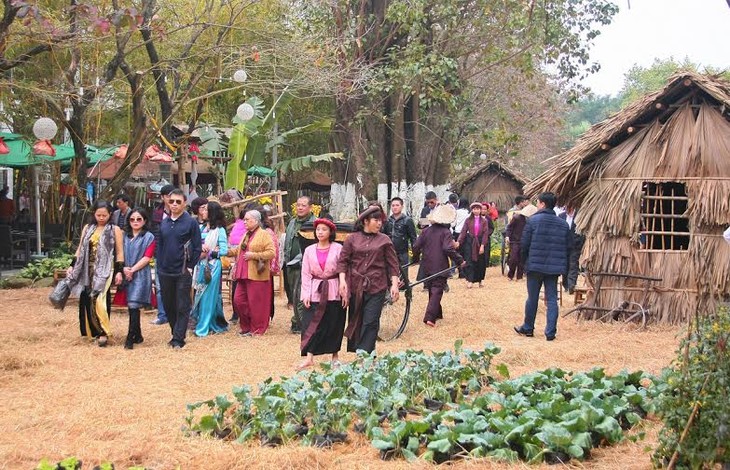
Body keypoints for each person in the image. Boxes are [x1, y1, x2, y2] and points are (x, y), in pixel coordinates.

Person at [337, 205, 400, 354]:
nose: (379, 223)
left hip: (377, 285)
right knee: (356, 318)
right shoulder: (352, 239)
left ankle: (365, 354)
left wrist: (395, 285)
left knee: (371, 321)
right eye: (376, 220)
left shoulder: (384, 240)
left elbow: (393, 264)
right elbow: (343, 261)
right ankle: (358, 350)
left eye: (381, 221)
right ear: (365, 221)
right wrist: (342, 281)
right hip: (356, 286)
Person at [65, 200, 124, 347]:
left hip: (105, 269)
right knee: (85, 297)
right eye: (99, 215)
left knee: (99, 299)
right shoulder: (88, 228)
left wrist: (119, 271)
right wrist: (72, 265)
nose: (101, 218)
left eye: (105, 215)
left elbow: (119, 252)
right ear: (94, 214)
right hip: (86, 267)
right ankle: (89, 332)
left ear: (110, 214)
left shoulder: (115, 229)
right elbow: (80, 248)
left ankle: (103, 332)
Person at [514, 192, 571, 342]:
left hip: (535, 266)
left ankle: (528, 328)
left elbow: (524, 244)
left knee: (532, 298)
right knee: (552, 299)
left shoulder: (533, 221)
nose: (537, 205)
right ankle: (550, 332)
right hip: (554, 267)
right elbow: (568, 247)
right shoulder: (563, 224)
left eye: (538, 203)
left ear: (543, 204)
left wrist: (524, 262)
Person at [297, 218, 346, 370]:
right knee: (311, 323)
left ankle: (335, 357)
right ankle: (309, 356)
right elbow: (305, 273)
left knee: (334, 323)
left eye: (324, 229)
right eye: (318, 229)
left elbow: (344, 271)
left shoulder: (338, 248)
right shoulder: (309, 250)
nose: (320, 232)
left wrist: (345, 292)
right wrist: (305, 294)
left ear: (330, 232)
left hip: (334, 290)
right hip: (315, 290)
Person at [157, 189, 202, 349]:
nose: (174, 204)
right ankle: (175, 331)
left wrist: (190, 267)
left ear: (184, 203)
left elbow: (197, 247)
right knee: (168, 304)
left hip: (182, 270)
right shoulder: (165, 222)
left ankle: (178, 338)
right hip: (165, 270)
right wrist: (159, 265)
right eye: (171, 201)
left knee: (182, 304)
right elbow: (160, 245)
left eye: (178, 201)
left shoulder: (191, 222)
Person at [412, 204, 464, 327]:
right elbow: (447, 248)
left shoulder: (425, 231)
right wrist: (459, 260)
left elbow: (415, 246)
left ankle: (437, 313)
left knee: (432, 288)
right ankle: (430, 317)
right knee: (437, 290)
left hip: (427, 265)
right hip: (440, 265)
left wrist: (415, 259)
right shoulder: (446, 232)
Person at [114, 209, 156, 349]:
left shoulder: (149, 237)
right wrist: (123, 269)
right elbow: (119, 254)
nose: (136, 222)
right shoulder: (124, 236)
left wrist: (133, 269)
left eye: (139, 219)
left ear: (144, 221)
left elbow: (147, 256)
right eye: (132, 219)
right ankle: (138, 335)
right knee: (132, 305)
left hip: (140, 274)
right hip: (126, 272)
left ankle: (130, 337)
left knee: (134, 304)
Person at [231, 210, 275, 336]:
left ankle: (256, 329)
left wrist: (254, 255)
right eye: (244, 219)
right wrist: (223, 251)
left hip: (257, 274)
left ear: (256, 221)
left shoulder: (264, 234)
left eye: (247, 219)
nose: (244, 222)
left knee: (256, 303)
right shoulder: (246, 234)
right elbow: (238, 251)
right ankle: (246, 326)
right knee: (238, 301)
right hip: (242, 274)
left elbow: (271, 252)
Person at [191, 201, 229, 337]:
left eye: (206, 210)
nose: (203, 212)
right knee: (199, 295)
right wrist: (200, 248)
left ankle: (203, 327)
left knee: (208, 296)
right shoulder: (201, 228)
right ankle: (211, 322)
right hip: (201, 265)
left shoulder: (220, 230)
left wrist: (210, 252)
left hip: (213, 265)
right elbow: (195, 244)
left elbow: (224, 250)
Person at [283, 196, 315, 333]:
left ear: (310, 207)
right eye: (298, 205)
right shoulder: (292, 222)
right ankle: (297, 320)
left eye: (303, 205)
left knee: (303, 295)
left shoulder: (315, 224)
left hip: (306, 265)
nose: (300, 208)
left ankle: (301, 323)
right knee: (294, 294)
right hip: (291, 265)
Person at [150, 184, 175, 326]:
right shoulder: (157, 213)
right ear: (163, 197)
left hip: (176, 254)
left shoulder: (181, 213)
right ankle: (162, 314)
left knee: (176, 285)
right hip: (160, 252)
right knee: (159, 285)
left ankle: (174, 314)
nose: (172, 200)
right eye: (168, 196)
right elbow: (154, 233)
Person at [456, 202, 493, 288]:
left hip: (480, 242)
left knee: (481, 262)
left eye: (478, 209)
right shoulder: (468, 220)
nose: (476, 211)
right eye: (474, 209)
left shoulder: (484, 221)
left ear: (480, 210)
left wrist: (483, 245)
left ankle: (480, 280)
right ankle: (470, 280)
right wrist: (459, 241)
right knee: (469, 261)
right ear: (472, 210)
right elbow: (463, 232)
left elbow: (485, 233)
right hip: (470, 242)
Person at [384, 197, 417, 282]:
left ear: (402, 206)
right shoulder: (388, 221)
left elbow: (413, 238)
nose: (395, 207)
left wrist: (415, 253)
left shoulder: (407, 220)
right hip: (390, 250)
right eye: (393, 205)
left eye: (397, 205)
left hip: (403, 251)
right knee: (390, 270)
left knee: (404, 271)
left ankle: (405, 286)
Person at [505, 203, 537, 281]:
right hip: (515, 240)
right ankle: (510, 275)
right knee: (513, 258)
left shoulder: (533, 221)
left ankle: (519, 276)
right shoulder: (517, 218)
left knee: (522, 259)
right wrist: (507, 236)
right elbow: (509, 228)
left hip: (525, 241)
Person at [559, 207, 585, 294]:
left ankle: (571, 285)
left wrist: (579, 243)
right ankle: (565, 284)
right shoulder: (561, 216)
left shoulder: (580, 215)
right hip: (563, 246)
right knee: (564, 265)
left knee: (573, 265)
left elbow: (582, 232)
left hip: (575, 246)